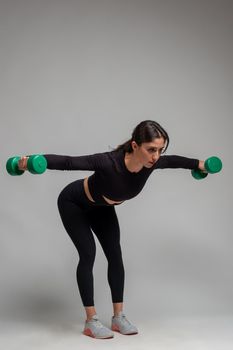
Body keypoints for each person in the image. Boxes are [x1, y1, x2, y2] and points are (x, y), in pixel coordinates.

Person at [18, 120, 205, 339]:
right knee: (88, 255)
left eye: (160, 150)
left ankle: (118, 318)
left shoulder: (151, 164)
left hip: (102, 207)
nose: (156, 156)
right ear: (135, 146)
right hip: (74, 203)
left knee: (115, 255)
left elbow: (174, 161)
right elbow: (69, 162)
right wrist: (31, 162)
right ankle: (91, 321)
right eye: (151, 149)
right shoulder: (108, 162)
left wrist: (200, 164)